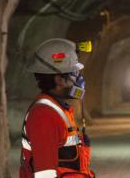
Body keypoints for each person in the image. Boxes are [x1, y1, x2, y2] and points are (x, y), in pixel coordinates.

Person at [19, 38, 95, 178]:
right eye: (75, 74)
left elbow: (68, 163)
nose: (79, 80)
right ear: (59, 80)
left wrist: (83, 147)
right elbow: (44, 174)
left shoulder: (58, 109)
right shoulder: (44, 116)